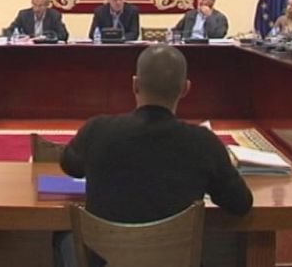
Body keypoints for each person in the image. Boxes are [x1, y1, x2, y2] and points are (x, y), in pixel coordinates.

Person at [57, 45, 253, 266]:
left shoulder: (97, 130)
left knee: (61, 238)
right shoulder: (204, 142)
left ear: (134, 84)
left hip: (105, 261)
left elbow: (70, 165)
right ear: (185, 88)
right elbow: (240, 203)